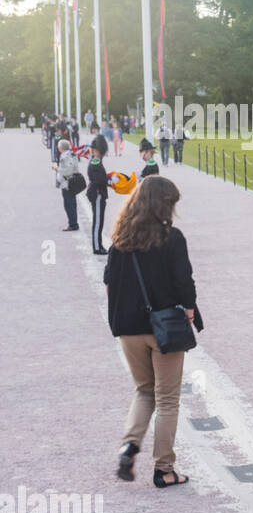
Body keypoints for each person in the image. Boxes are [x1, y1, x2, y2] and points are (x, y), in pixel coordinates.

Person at [103, 176, 203, 487]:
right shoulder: (172, 238)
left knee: (144, 390)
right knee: (168, 398)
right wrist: (189, 309)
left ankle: (129, 445)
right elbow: (183, 281)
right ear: (164, 204)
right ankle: (164, 469)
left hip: (128, 329)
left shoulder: (120, 240)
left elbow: (109, 285)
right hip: (165, 328)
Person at [86, 134, 110, 254]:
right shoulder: (95, 161)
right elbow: (99, 179)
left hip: (98, 192)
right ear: (96, 151)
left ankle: (99, 244)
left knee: (99, 221)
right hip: (97, 193)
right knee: (97, 222)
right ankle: (96, 246)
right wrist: (109, 181)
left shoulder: (97, 160)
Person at [54, 139, 80, 231]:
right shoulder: (71, 154)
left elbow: (68, 170)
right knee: (72, 203)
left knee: (69, 204)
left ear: (61, 148)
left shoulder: (66, 156)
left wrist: (58, 169)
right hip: (70, 182)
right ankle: (73, 223)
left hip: (67, 183)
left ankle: (73, 224)